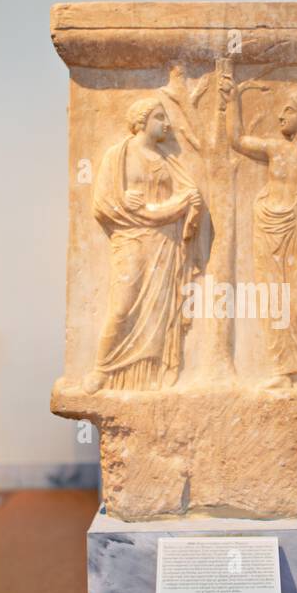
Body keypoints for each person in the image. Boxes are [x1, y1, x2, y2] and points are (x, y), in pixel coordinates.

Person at [221, 80, 297, 390]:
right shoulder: (275, 148)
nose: (280, 117)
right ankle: (282, 371)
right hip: (268, 228)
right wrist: (231, 99)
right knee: (274, 301)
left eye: (287, 111)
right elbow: (236, 139)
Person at [83, 99, 202, 393]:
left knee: (157, 312)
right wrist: (125, 202)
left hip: (163, 242)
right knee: (122, 305)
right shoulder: (118, 155)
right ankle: (102, 368)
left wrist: (189, 204)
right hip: (131, 239)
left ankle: (149, 374)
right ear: (141, 121)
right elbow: (102, 204)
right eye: (160, 117)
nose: (167, 124)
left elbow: (189, 195)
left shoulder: (166, 160)